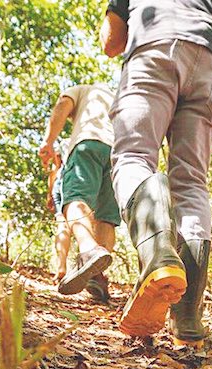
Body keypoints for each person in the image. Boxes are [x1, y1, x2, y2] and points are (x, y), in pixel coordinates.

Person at [100, 0, 212, 346]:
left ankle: (158, 255)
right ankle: (187, 318)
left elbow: (111, 42)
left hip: (155, 49)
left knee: (134, 155)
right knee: (192, 183)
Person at [39, 83, 121, 301]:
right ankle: (97, 275)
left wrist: (48, 142)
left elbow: (63, 104)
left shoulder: (81, 89)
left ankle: (88, 250)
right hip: (118, 153)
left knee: (76, 199)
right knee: (106, 216)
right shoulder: (117, 96)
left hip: (88, 143)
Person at [45, 152, 72, 283]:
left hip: (59, 183)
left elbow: (55, 168)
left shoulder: (62, 145)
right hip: (76, 180)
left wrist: (50, 193)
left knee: (62, 224)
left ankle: (61, 267)